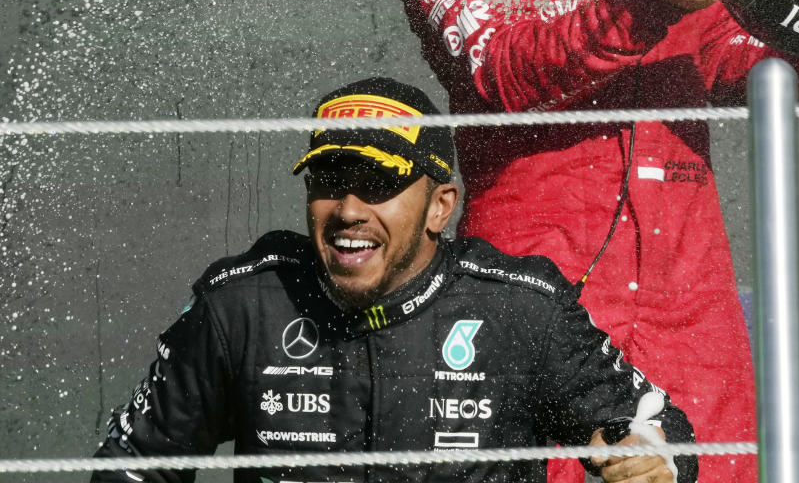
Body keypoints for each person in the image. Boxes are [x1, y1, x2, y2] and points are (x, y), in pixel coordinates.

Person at [375, 0, 799, 482]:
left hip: (692, 287)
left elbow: (721, 55)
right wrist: (644, 5)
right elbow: (499, 67)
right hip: (537, 280)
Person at [90, 77, 698, 483]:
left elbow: (659, 426)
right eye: (328, 181)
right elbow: (135, 463)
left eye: (377, 185)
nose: (348, 210)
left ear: (441, 206)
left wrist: (646, 454)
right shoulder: (244, 304)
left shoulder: (518, 306)